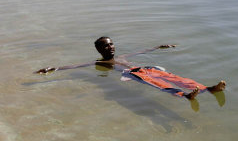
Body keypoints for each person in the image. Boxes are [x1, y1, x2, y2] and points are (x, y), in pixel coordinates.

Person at [36, 37, 226, 100]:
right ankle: (185, 96)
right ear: (98, 50)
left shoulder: (122, 57)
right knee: (158, 84)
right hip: (133, 74)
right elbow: (76, 66)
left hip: (144, 68)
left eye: (111, 44)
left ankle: (208, 89)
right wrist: (54, 68)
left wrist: (158, 47)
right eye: (105, 46)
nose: (110, 47)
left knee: (174, 77)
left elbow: (140, 52)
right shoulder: (100, 63)